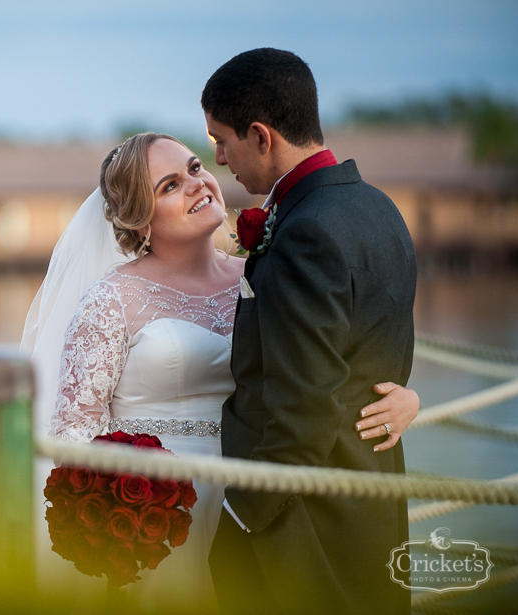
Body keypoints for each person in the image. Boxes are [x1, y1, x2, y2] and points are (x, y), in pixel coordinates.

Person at [24, 128, 419, 608]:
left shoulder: (262, 274)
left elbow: (318, 371)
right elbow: (74, 435)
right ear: (138, 219)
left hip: (257, 502)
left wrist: (405, 396)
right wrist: (122, 508)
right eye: (169, 185)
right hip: (156, 518)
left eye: (194, 168)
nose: (197, 184)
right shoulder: (112, 301)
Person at [202, 48, 417, 614]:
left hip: (301, 533)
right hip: (370, 508)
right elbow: (379, 355)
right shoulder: (378, 208)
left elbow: (303, 411)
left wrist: (240, 515)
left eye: (221, 140)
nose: (219, 159)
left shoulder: (305, 233)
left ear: (261, 135)